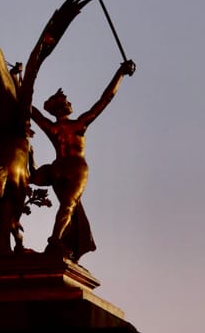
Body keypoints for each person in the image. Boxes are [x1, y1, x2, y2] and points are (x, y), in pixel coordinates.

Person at [30, 59, 135, 260]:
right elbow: (105, 99)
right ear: (62, 108)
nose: (70, 103)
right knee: (69, 205)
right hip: (76, 169)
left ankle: (59, 238)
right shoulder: (79, 125)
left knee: (66, 205)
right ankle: (55, 240)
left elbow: (32, 112)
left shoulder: (53, 129)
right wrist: (120, 74)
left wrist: (17, 83)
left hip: (57, 168)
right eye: (67, 101)